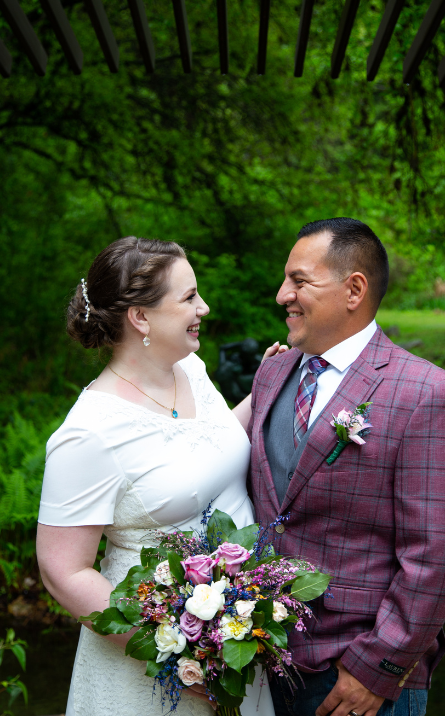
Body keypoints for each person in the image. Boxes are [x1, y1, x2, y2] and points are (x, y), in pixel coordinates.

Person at [37, 236, 282, 716]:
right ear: (140, 317)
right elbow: (62, 572)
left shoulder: (190, 368)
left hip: (235, 637)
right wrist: (177, 654)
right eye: (189, 297)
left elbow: (208, 452)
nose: (204, 308)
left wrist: (266, 388)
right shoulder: (89, 433)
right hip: (156, 668)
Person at [248, 218, 445, 716]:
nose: (282, 295)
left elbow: (437, 553)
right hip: (262, 662)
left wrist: (378, 668)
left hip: (360, 680)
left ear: (354, 290)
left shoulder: (426, 392)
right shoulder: (271, 372)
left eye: (299, 281)